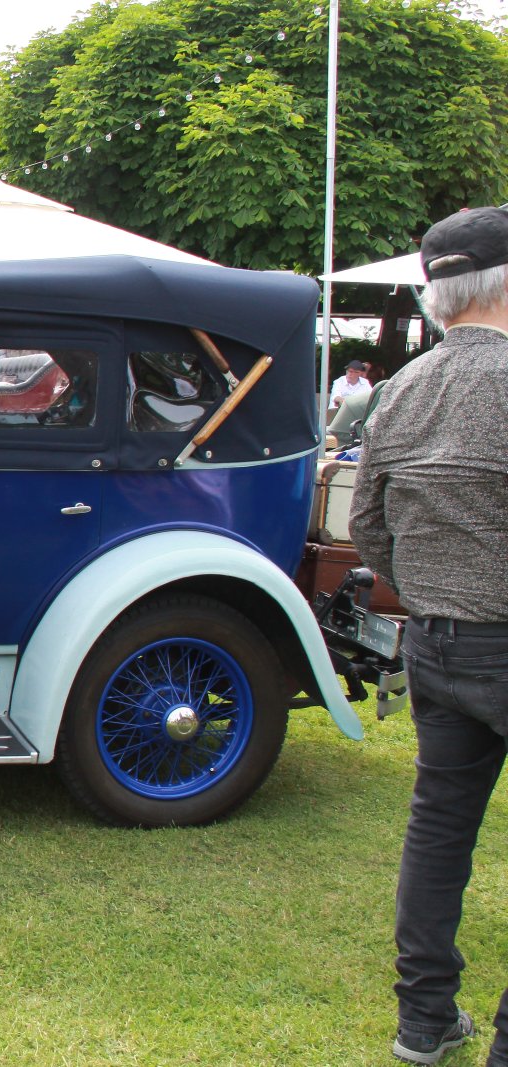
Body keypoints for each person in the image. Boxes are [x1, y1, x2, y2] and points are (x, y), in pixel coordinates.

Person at [350, 204, 508, 1067]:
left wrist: (426, 589)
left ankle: (424, 1020)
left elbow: (368, 525)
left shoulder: (400, 389)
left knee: (439, 830)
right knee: (438, 829)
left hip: (435, 639)